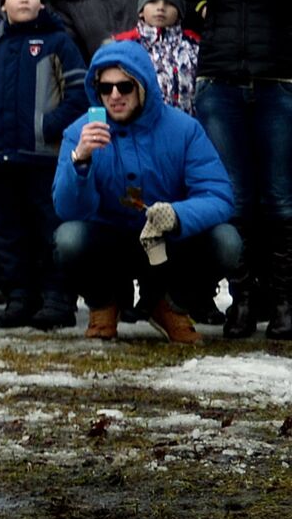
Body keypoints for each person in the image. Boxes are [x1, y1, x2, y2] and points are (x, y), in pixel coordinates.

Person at [172, 0, 292, 339]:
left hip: (278, 81)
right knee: (236, 197)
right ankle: (242, 302)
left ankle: (283, 303)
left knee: (281, 199)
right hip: (220, 83)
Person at [53, 43, 238, 344]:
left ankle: (170, 305)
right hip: (109, 241)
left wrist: (178, 216)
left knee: (226, 241)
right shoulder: (79, 133)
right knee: (68, 239)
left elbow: (219, 195)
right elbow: (66, 210)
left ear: (143, 87)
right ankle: (103, 304)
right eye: (105, 87)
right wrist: (81, 161)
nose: (114, 95)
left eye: (124, 86)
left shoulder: (184, 128)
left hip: (165, 242)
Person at [0, 0, 87, 330]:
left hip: (44, 157)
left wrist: (47, 127)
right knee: (7, 229)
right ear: (3, 5)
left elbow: (78, 93)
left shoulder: (57, 41)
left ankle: (56, 297)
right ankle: (19, 295)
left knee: (48, 226)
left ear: (41, 1)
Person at [109, 0, 198, 115]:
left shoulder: (194, 45)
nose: (161, 8)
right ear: (141, 10)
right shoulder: (121, 46)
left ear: (180, 11)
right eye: (153, 2)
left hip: (187, 123)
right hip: (139, 126)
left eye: (169, 3)